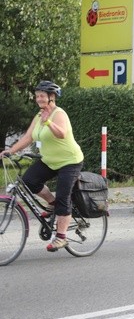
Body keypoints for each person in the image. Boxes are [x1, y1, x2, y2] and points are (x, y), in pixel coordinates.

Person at [0, 81, 84, 251]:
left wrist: (48, 123)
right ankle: (52, 204)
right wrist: (11, 150)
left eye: (42, 96)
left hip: (70, 161)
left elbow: (62, 134)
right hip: (50, 160)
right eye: (37, 96)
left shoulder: (59, 114)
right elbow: (28, 137)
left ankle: (61, 237)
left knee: (63, 196)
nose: (38, 99)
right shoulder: (39, 116)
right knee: (29, 181)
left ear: (51, 97)